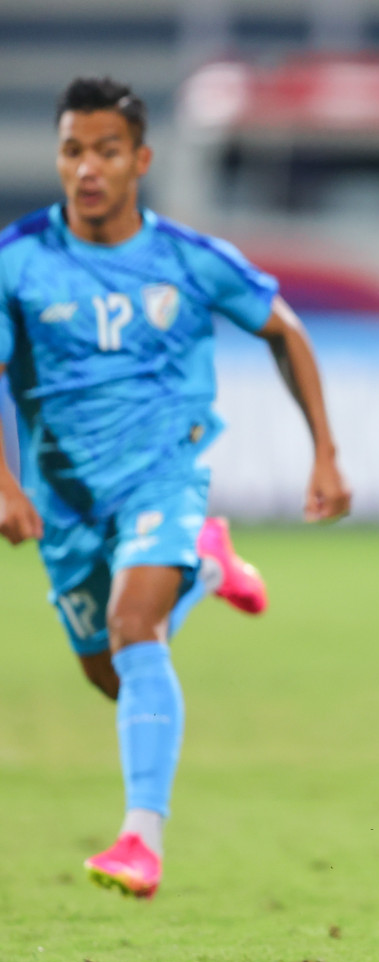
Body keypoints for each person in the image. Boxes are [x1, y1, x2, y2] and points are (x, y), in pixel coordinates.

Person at [0, 78, 351, 898]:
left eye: (106, 151)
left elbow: (285, 331)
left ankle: (139, 841)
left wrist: (325, 454)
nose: (88, 168)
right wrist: (7, 483)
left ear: (140, 160)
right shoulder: (18, 263)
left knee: (132, 627)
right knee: (113, 674)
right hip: (68, 502)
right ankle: (210, 563)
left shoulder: (188, 260)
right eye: (72, 151)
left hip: (164, 472)